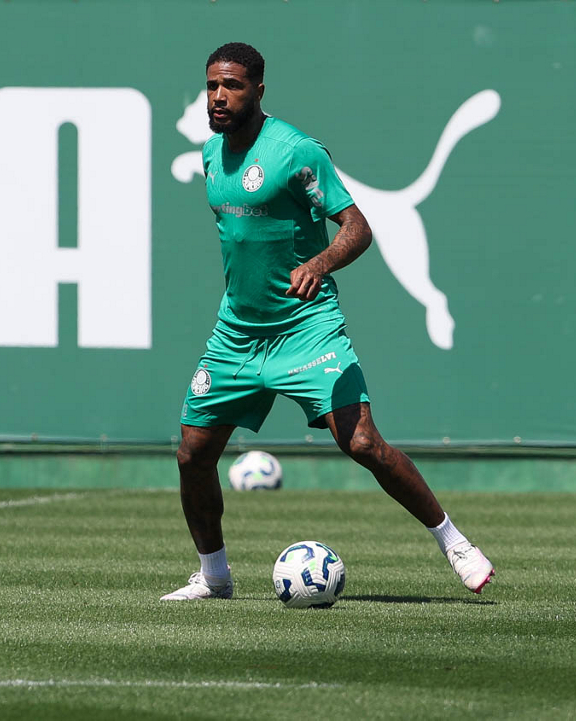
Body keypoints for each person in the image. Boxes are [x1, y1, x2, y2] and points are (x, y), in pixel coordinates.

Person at [162, 42, 494, 601]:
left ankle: (455, 543)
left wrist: (318, 263)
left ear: (258, 90)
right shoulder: (210, 154)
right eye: (212, 85)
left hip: (305, 328)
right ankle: (214, 576)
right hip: (237, 334)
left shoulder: (296, 151)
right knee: (192, 454)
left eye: (232, 86)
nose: (219, 96)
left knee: (363, 443)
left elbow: (357, 227)